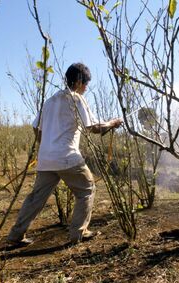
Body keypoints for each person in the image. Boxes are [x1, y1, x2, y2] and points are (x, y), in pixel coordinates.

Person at [7, 63, 123, 246]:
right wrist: (112, 123)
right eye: (86, 84)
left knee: (36, 198)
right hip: (68, 157)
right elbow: (93, 127)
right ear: (78, 82)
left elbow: (35, 127)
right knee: (87, 189)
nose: (86, 89)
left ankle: (15, 235)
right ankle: (78, 233)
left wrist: (46, 145)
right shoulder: (76, 99)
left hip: (46, 160)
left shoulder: (50, 101)